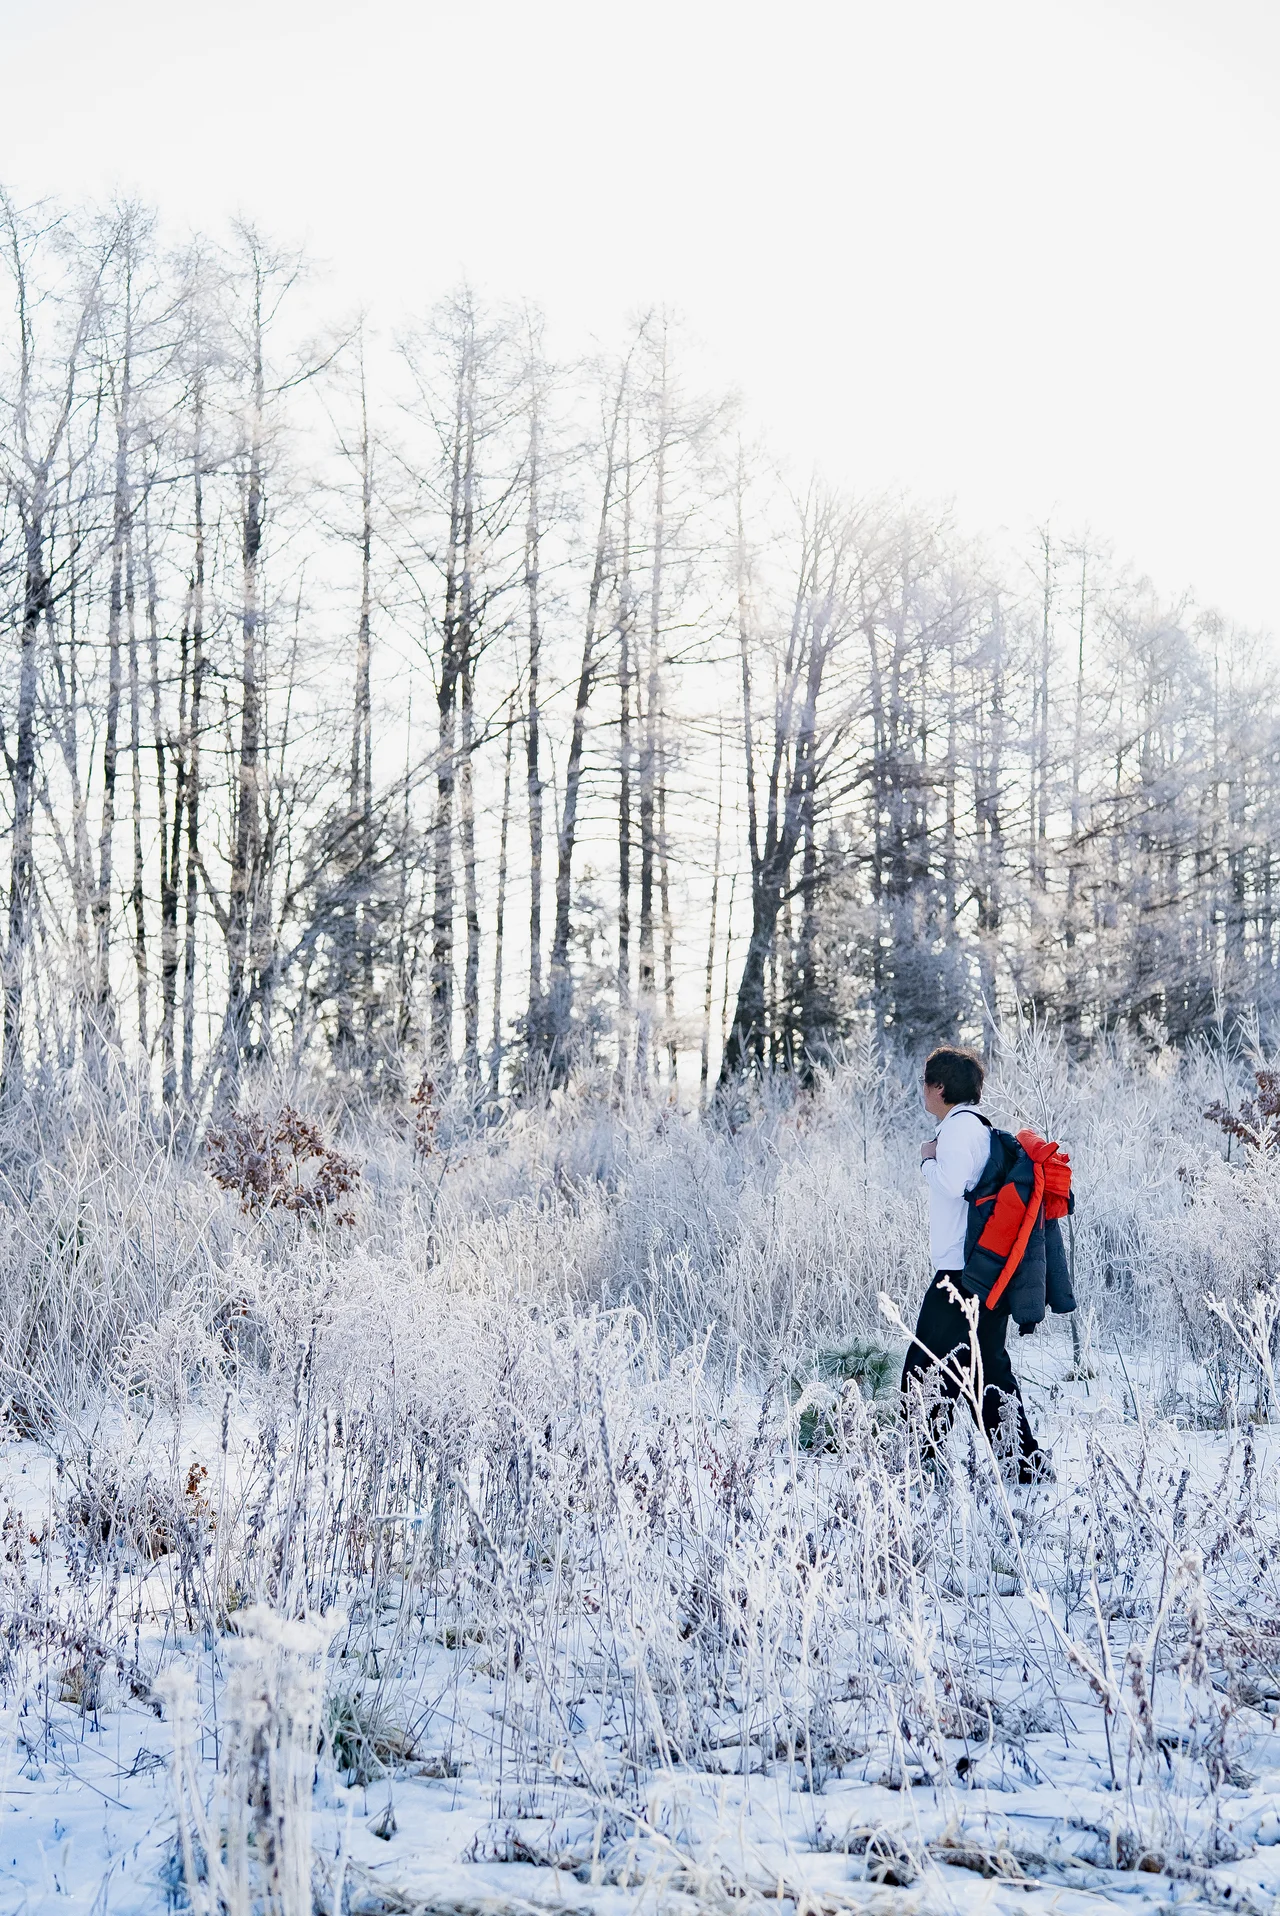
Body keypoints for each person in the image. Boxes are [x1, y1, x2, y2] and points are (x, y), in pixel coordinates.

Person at [900, 1044, 1049, 1481]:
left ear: (940, 1087)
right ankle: (1024, 1465)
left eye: (925, 1084)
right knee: (985, 1367)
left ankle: (921, 1462)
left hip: (961, 1273)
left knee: (924, 1364)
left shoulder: (959, 1130)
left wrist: (927, 1159)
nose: (922, 1092)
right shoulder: (974, 1127)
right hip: (981, 1268)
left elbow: (953, 1182)